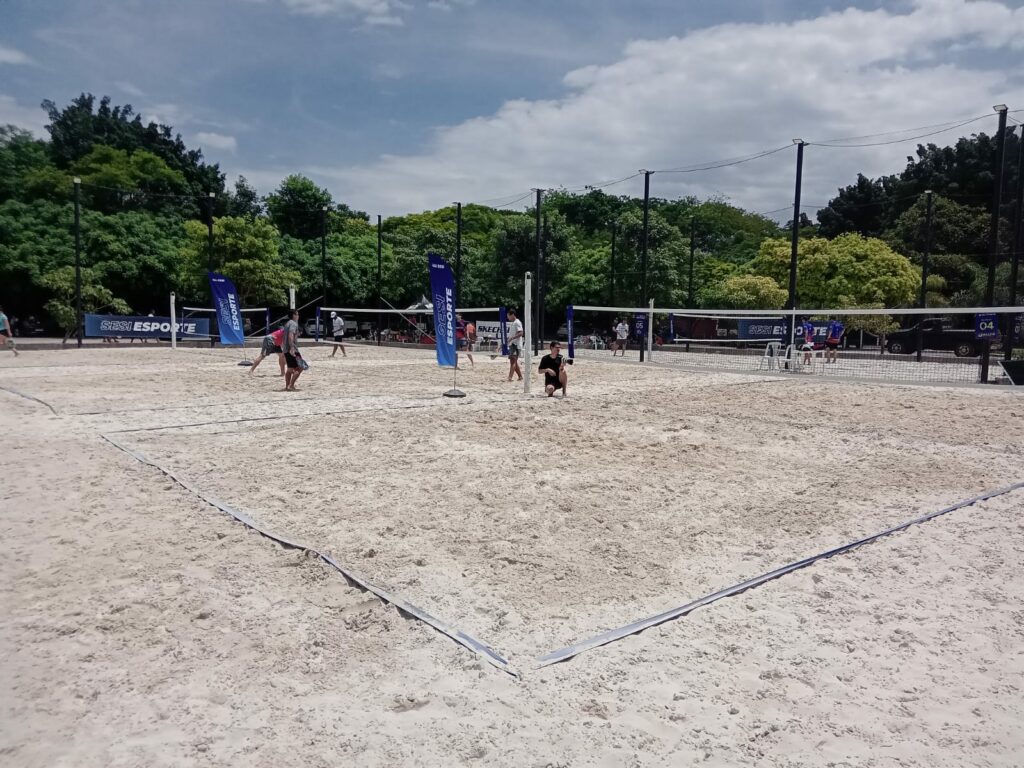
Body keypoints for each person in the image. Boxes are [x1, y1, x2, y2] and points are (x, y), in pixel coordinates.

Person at [282, 310, 305, 391]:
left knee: (290, 369)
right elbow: (290, 335)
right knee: (301, 367)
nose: (298, 316)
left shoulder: (287, 323)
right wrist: (292, 347)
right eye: (297, 314)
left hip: (286, 349)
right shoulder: (293, 323)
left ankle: (287, 386)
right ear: (294, 315)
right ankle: (291, 385)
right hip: (292, 349)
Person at [506, 309, 524, 382]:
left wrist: (512, 338)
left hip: (515, 344)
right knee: (514, 361)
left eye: (508, 316)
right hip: (512, 344)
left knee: (513, 361)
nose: (508, 317)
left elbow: (521, 333)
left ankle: (510, 377)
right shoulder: (513, 323)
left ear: (512, 315)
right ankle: (520, 376)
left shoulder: (517, 322)